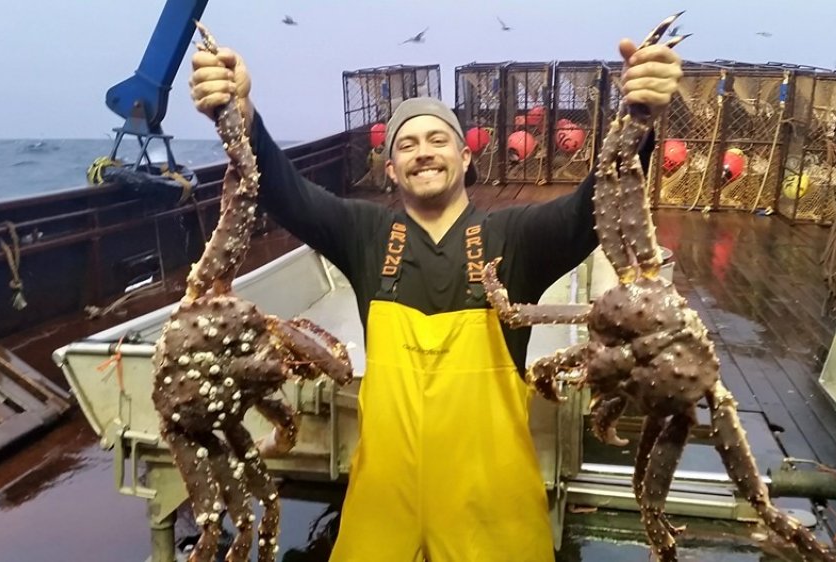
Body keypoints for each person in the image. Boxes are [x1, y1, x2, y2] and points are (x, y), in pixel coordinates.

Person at [190, 33, 682, 562]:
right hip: (383, 496)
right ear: (391, 169)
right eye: (407, 145)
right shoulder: (364, 234)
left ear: (465, 157)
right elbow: (286, 192)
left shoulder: (517, 238)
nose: (423, 152)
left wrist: (638, 117)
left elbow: (596, 202)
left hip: (491, 501)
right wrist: (241, 114)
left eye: (437, 139)